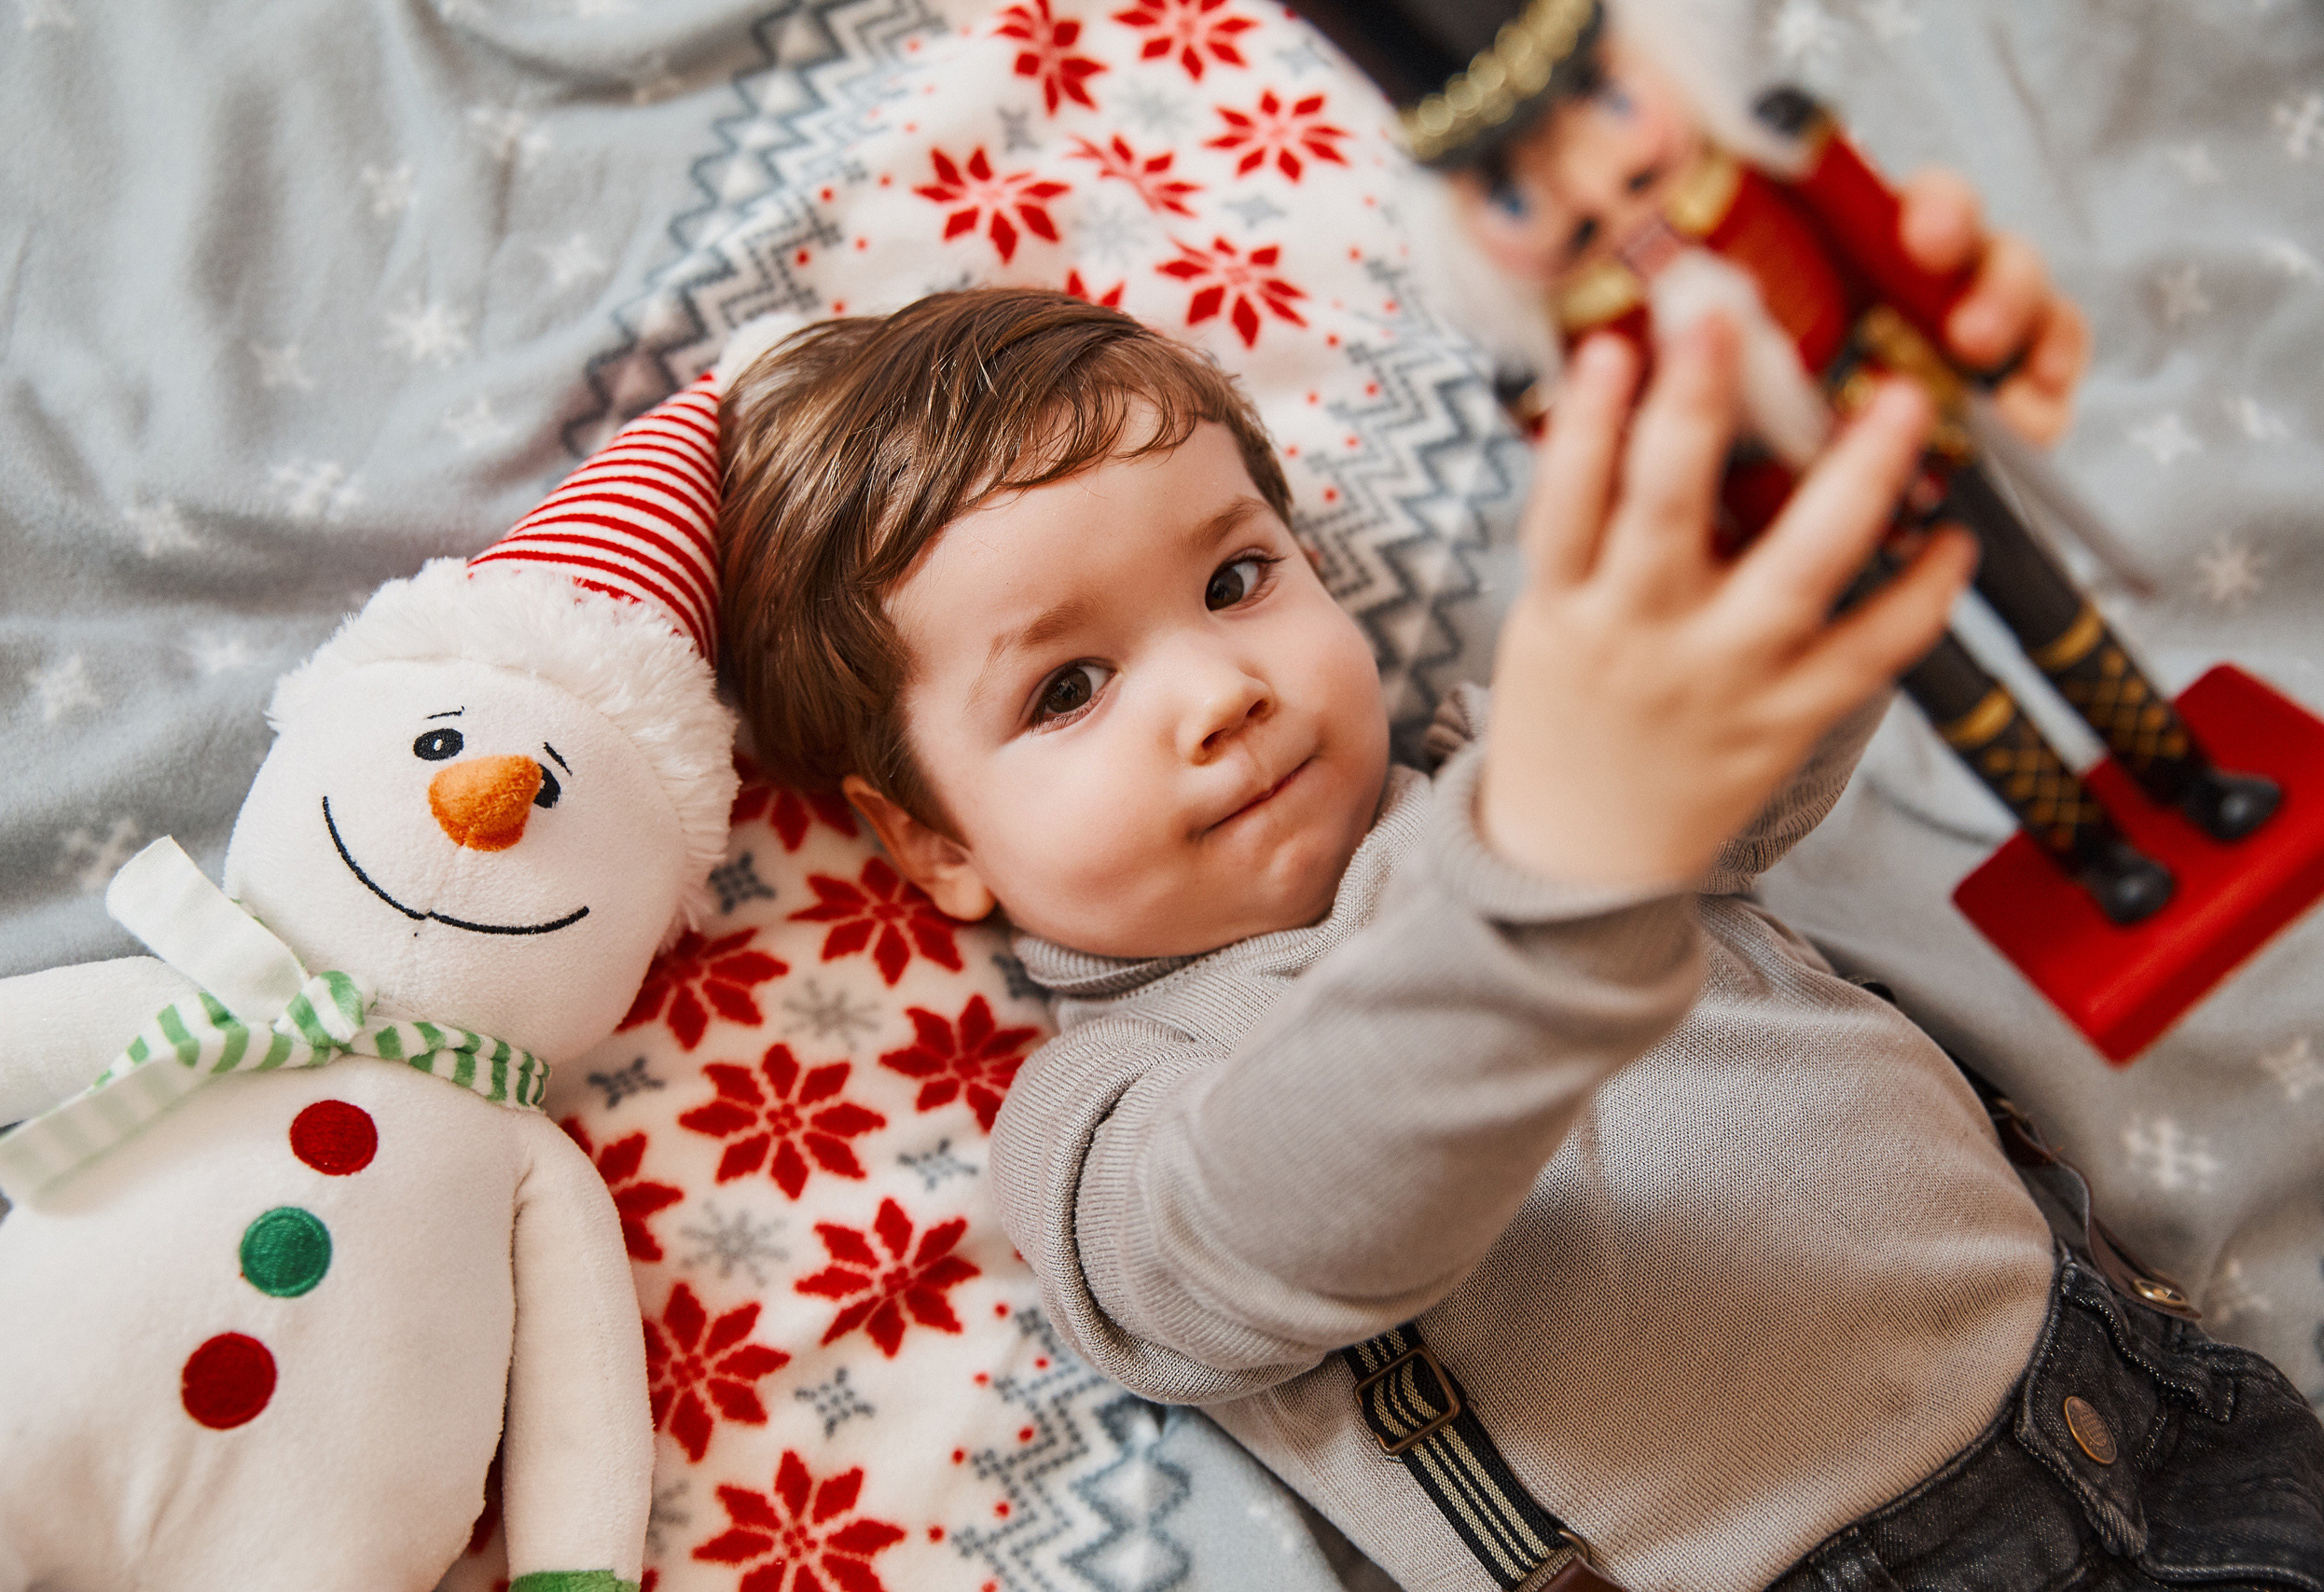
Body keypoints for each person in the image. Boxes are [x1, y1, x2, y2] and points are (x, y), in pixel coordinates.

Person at [713, 286, 2324, 1592]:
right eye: (1068, 687)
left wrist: (1847, 455)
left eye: (1237, 577)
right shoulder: (1101, 1117)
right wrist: (1545, 866)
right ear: (933, 840)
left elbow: (1764, 698)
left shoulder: (1520, 771)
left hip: (2169, 1411)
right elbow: (1298, 1202)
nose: (1220, 691)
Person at [1285, 0, 2280, 932]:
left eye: (1602, 99)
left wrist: (1978, 348)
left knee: (2050, 610)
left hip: (1904, 421)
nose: (1590, 182)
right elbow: (1644, 506)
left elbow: (1885, 256)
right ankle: (2089, 850)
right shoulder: (1569, 361)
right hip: (1791, 521)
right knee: (1955, 694)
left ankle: (2180, 772)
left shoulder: (1769, 157)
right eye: (1511, 185)